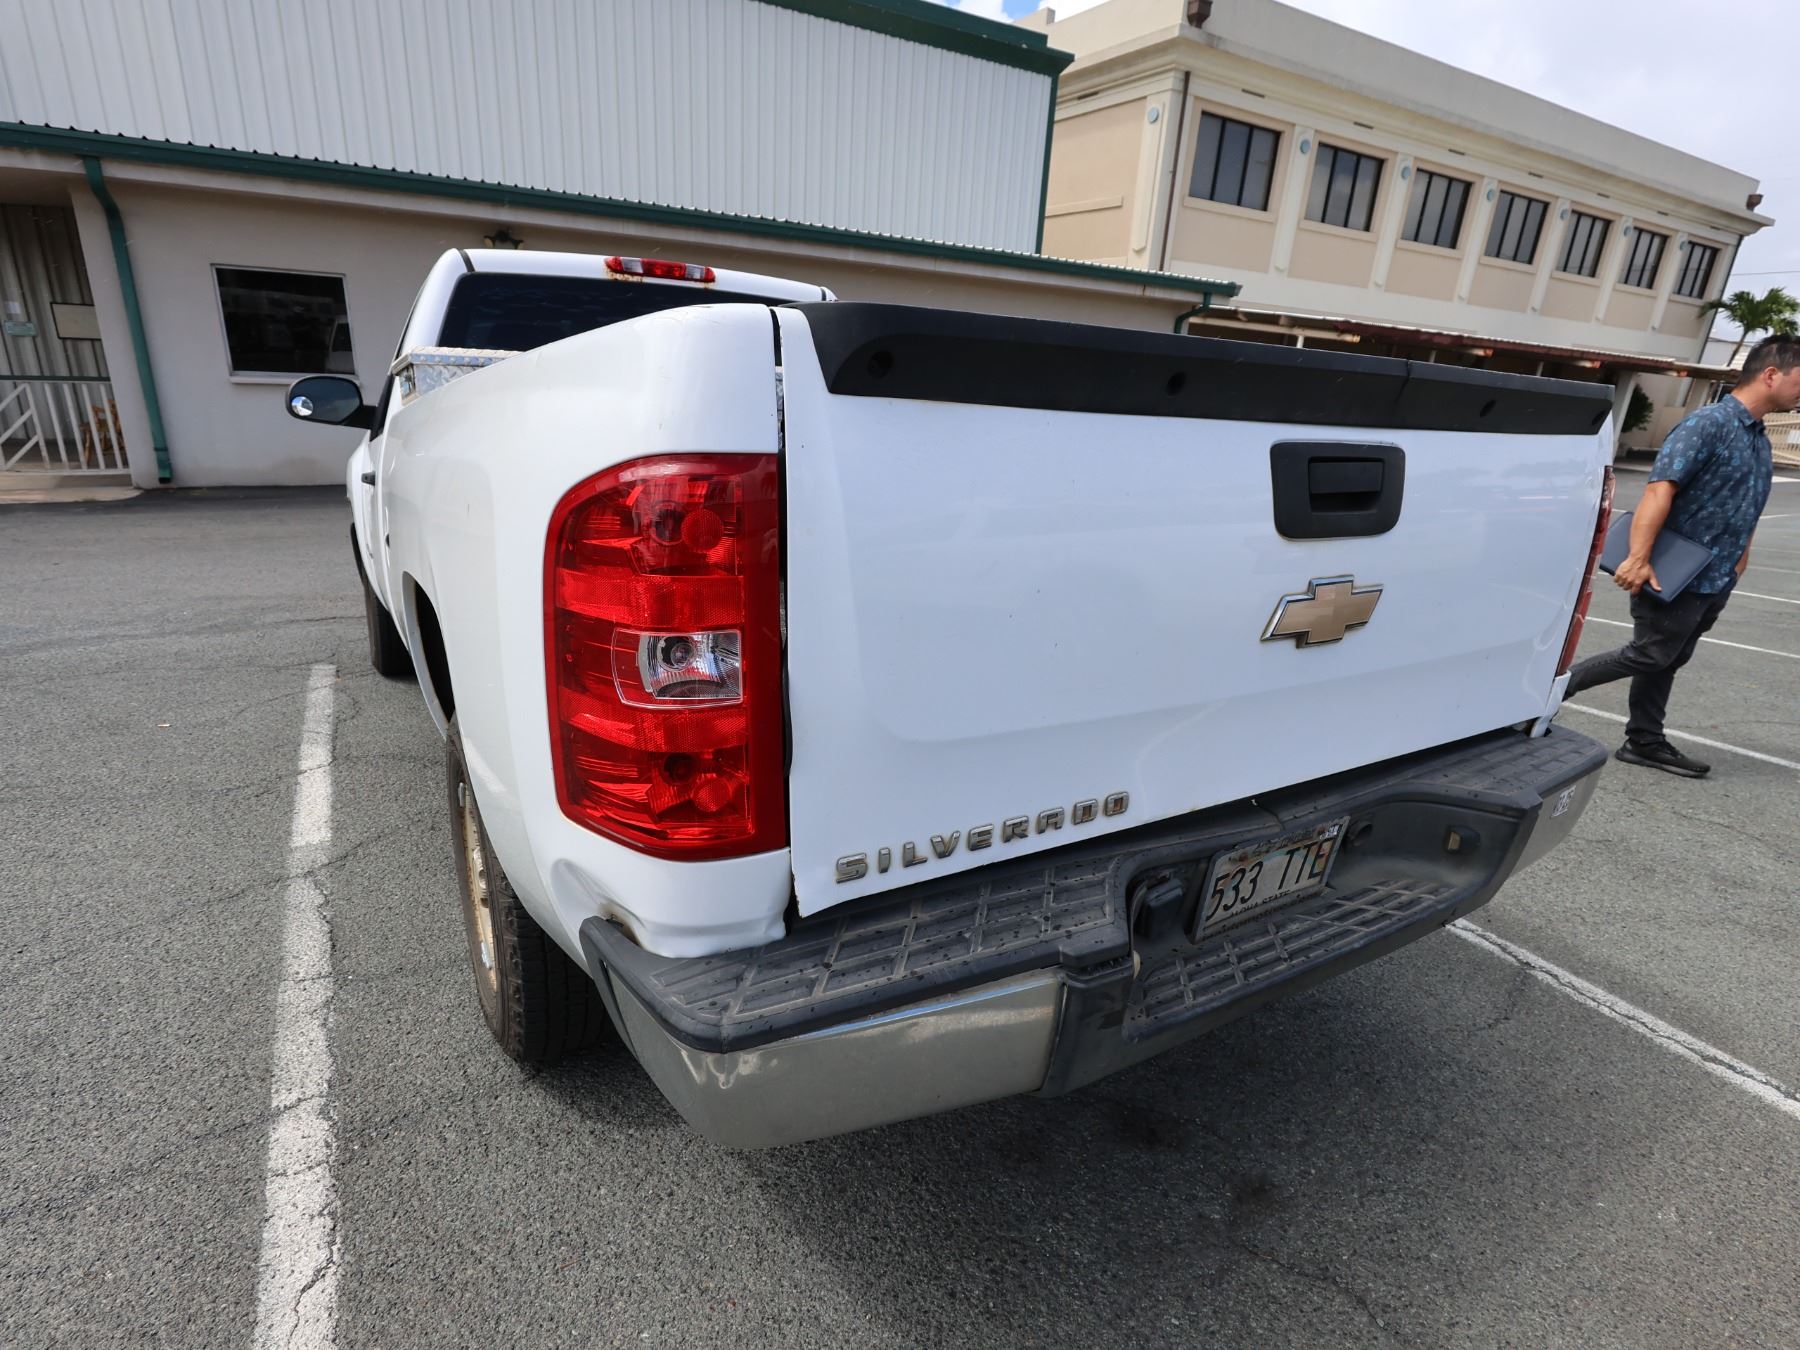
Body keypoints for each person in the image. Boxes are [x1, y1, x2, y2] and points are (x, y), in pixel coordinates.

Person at [1564, 333, 1800, 777]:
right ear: (1771, 374)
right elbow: (1660, 489)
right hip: (1673, 572)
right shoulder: (1708, 424)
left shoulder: (1758, 437)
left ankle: (1644, 740)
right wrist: (1638, 557)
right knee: (1650, 654)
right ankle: (1544, 694)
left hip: (1716, 576)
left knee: (1670, 657)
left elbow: (1746, 501)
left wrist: (1742, 556)